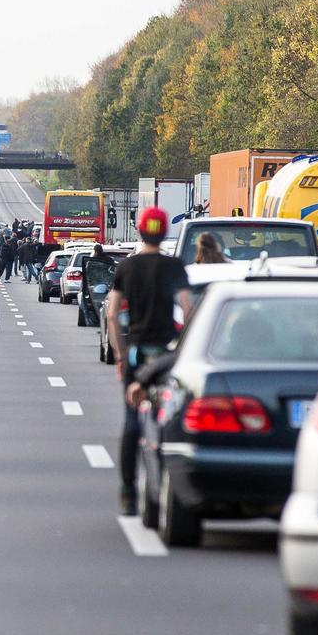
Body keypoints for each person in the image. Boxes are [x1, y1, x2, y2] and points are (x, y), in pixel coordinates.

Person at [106, 206, 194, 517]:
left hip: (137, 353)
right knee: (169, 418)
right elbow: (188, 308)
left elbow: (113, 313)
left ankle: (128, 491)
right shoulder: (174, 266)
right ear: (164, 233)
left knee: (131, 421)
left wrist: (118, 353)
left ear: (141, 231)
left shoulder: (127, 268)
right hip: (168, 355)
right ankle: (168, 484)